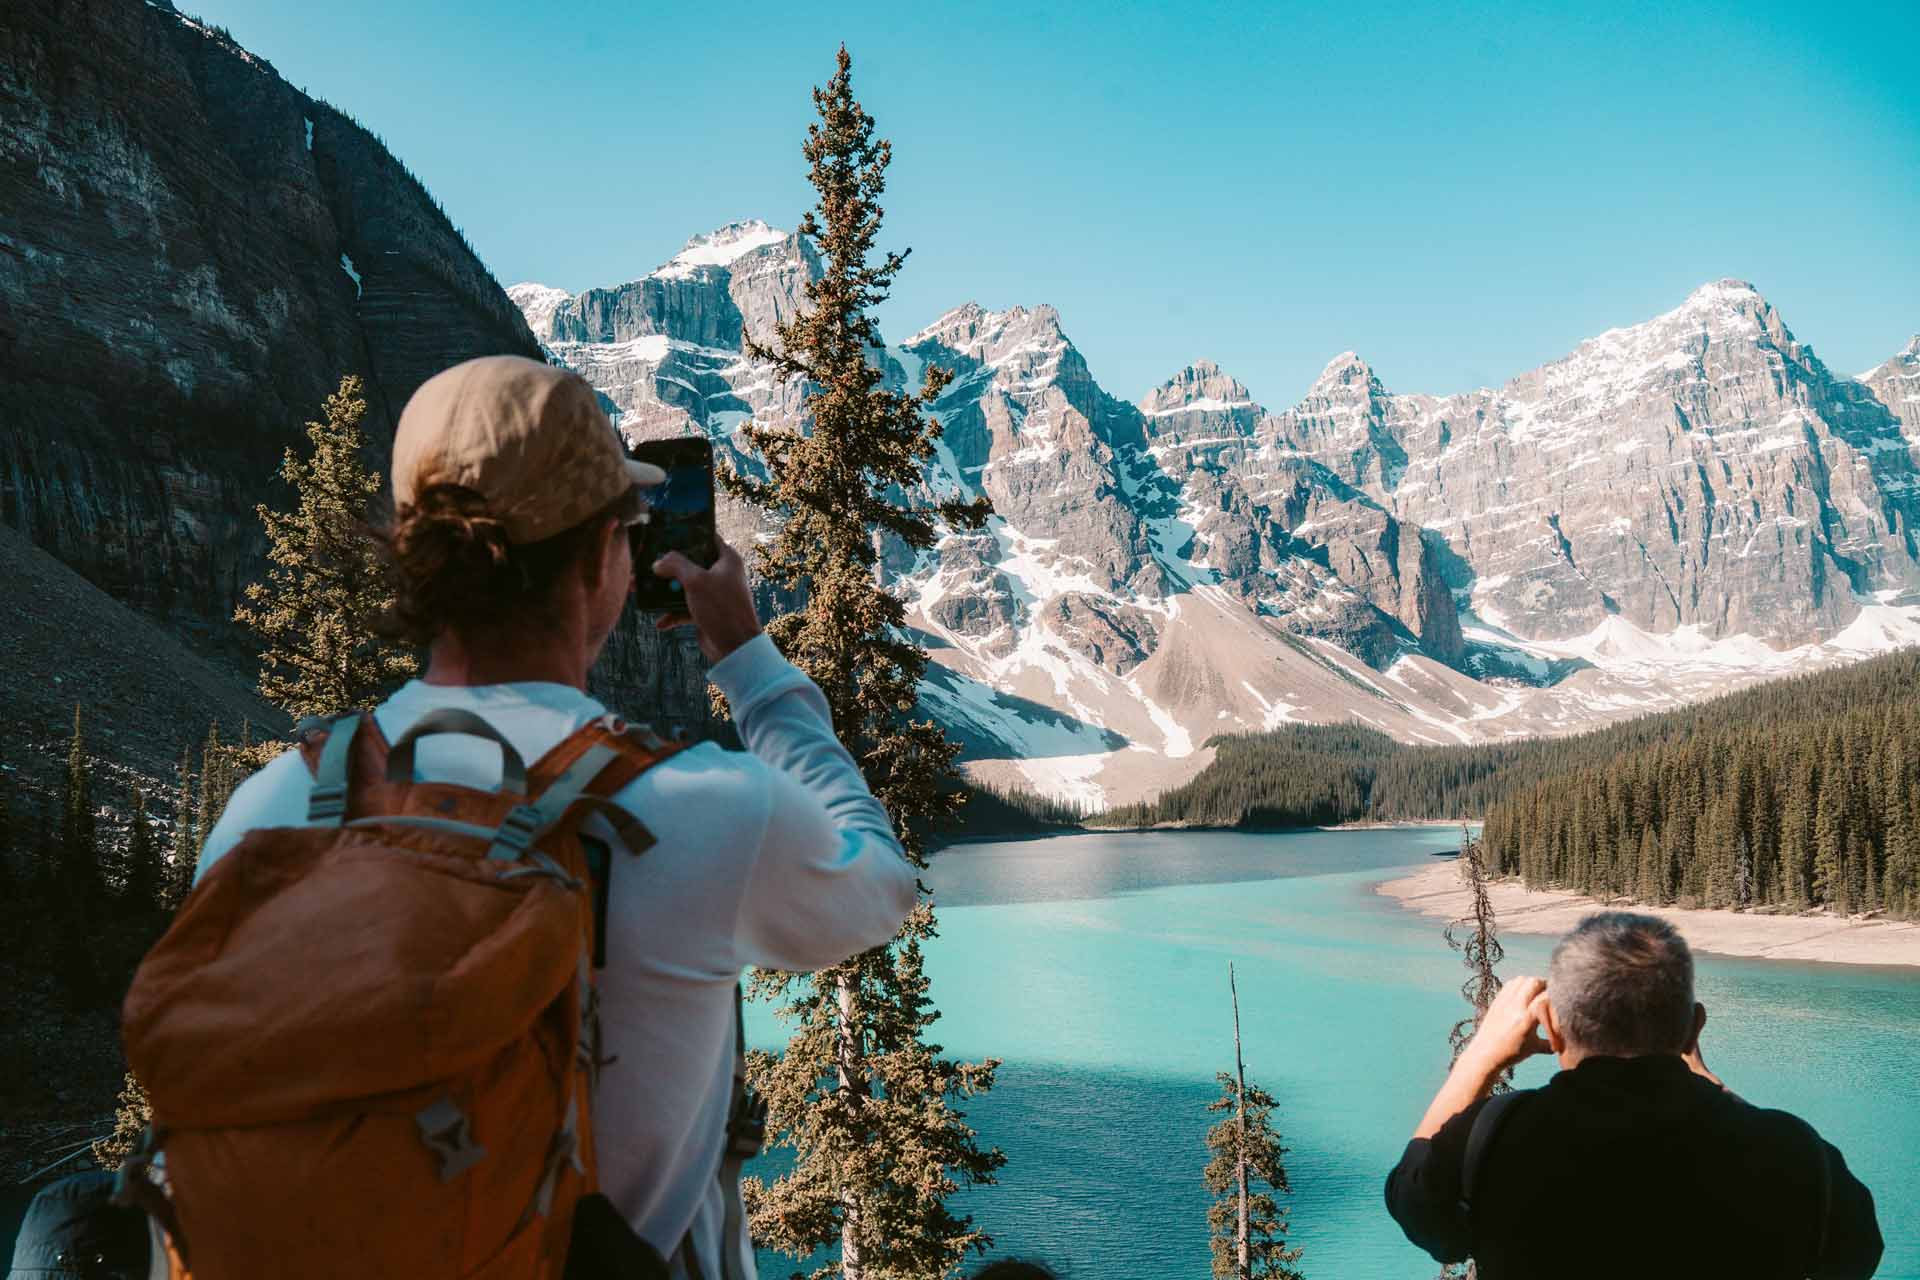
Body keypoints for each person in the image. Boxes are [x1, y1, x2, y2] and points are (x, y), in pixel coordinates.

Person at [194, 355, 918, 1278]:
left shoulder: (265, 810)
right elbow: (881, 884)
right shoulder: (697, 811)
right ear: (600, 554)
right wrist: (751, 663)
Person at [1385, 911, 1882, 1279]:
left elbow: (1411, 1199)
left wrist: (1482, 1055)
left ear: (1551, 1026)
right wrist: (1710, 1083)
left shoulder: (1491, 1140)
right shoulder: (1793, 1153)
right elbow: (1856, 1256)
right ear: (1694, 1027)